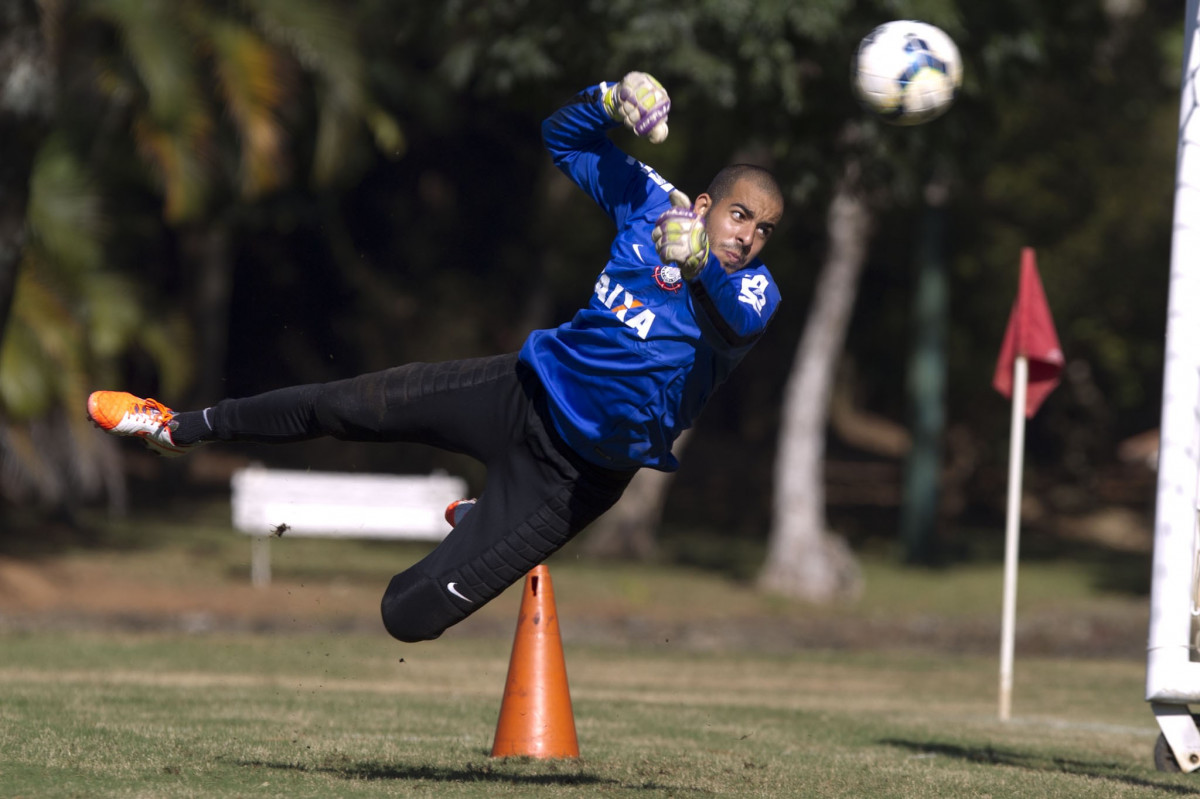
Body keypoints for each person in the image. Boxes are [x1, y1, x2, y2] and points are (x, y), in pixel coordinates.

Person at [87, 72, 784, 643]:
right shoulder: (652, 205)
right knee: (339, 404)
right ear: (703, 204)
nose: (748, 235)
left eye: (764, 229)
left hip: (575, 479)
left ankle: (480, 516)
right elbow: (562, 139)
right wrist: (607, 99)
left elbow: (730, 316)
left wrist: (699, 267)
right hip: (518, 392)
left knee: (407, 615)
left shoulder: (752, 290)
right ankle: (175, 426)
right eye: (739, 215)